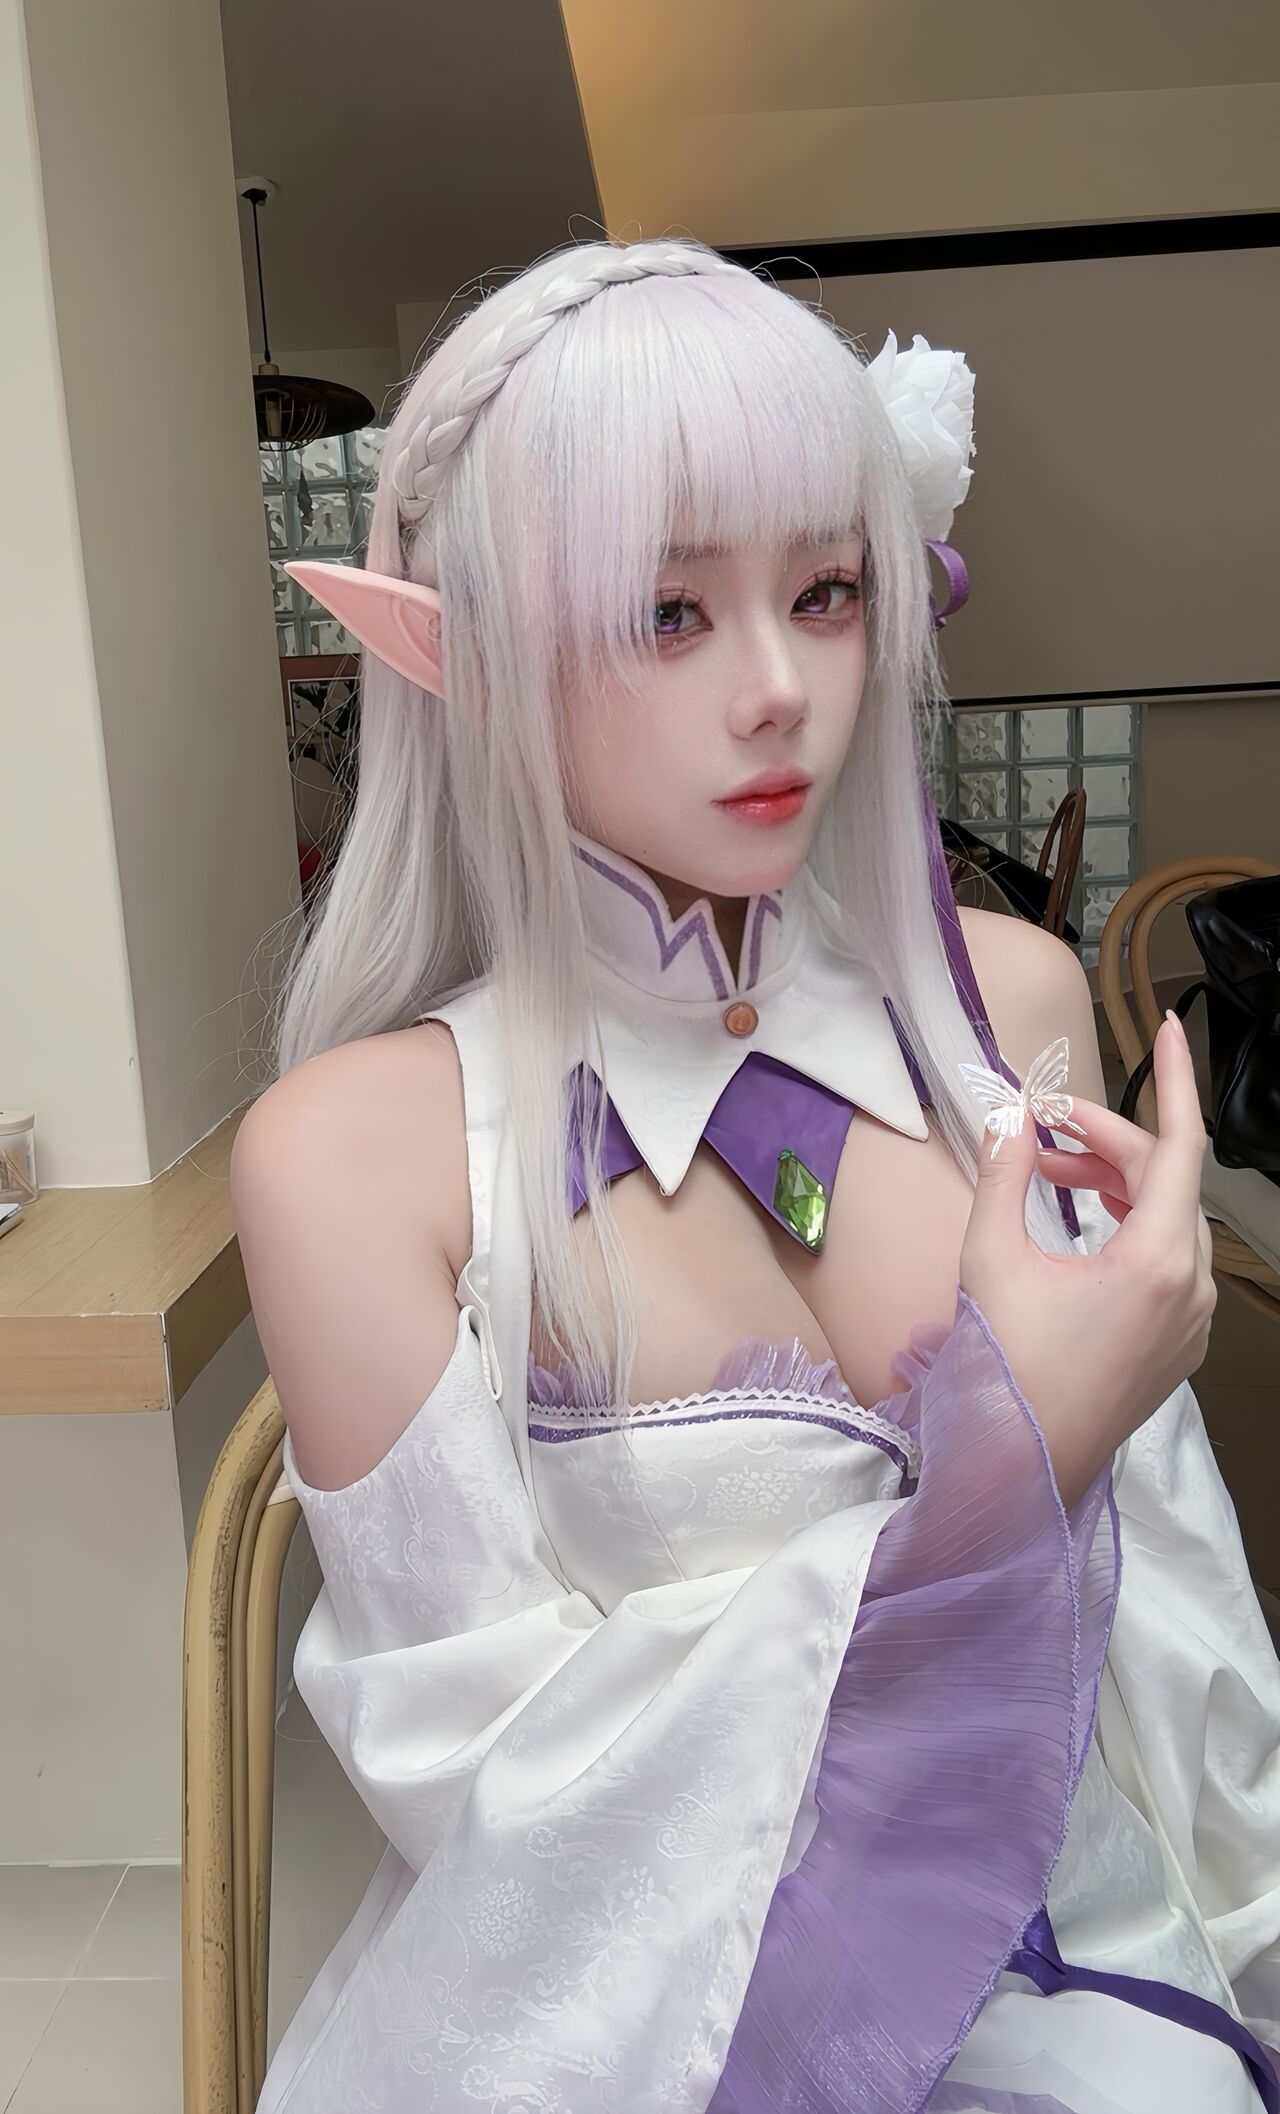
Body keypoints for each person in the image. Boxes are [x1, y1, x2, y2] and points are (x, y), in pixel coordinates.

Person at [230, 237, 1280, 2113]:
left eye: (827, 590)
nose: (784, 687)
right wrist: (1010, 1456)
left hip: (1098, 1964)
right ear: (467, 649)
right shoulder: (348, 1156)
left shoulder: (1011, 1009)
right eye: (667, 610)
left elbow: (1174, 1634)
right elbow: (496, 1800)